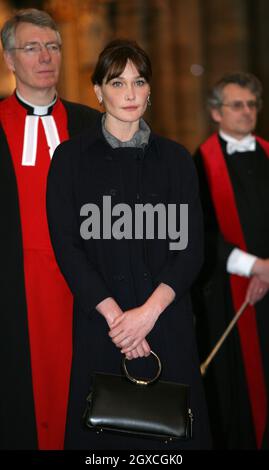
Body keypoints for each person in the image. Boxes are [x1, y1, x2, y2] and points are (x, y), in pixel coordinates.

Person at [46, 39, 211, 450]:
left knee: (171, 445)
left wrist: (147, 316)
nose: (131, 93)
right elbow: (67, 247)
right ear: (98, 91)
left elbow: (190, 249)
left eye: (139, 81)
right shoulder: (69, 159)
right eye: (117, 83)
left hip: (166, 323)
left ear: (150, 89)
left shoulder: (176, 160)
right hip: (103, 325)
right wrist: (121, 322)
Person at [0, 8, 100, 450]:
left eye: (53, 46)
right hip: (13, 292)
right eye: (32, 47)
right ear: (9, 59)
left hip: (82, 290)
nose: (45, 57)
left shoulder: (91, 126)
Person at [192, 72, 269, 449]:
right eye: (236, 105)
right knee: (238, 396)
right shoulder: (199, 162)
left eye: (252, 104)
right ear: (216, 113)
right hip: (230, 295)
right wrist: (255, 267)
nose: (247, 111)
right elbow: (198, 232)